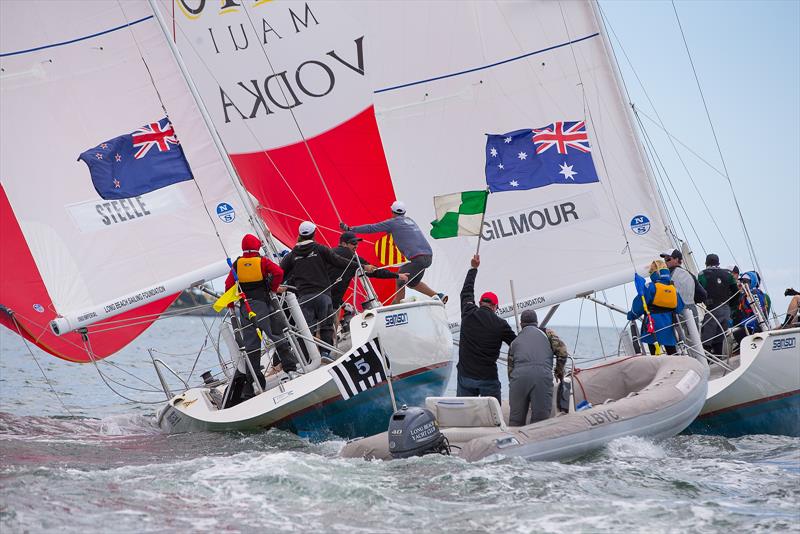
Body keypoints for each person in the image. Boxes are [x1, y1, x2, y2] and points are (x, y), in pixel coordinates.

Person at [223, 234, 297, 407]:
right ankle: (291, 368)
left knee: (251, 346)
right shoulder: (262, 261)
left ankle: (253, 384)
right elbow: (278, 272)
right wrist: (272, 287)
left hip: (245, 309)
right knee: (276, 336)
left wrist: (230, 304)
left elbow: (228, 285)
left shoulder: (236, 264)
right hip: (263, 305)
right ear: (257, 246)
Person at [341, 201, 446, 304]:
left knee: (400, 277)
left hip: (418, 259)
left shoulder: (392, 223)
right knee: (413, 283)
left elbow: (371, 228)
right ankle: (438, 295)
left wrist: (350, 229)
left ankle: (398, 307)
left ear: (392, 211)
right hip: (428, 257)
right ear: (404, 212)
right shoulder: (410, 220)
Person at [279, 221, 352, 353]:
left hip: (304, 298)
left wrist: (276, 286)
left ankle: (307, 359)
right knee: (326, 327)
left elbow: (279, 274)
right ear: (314, 234)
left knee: (306, 331)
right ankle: (325, 353)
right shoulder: (320, 249)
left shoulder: (292, 255)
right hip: (323, 295)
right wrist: (362, 266)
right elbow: (339, 261)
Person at [456, 254, 516, 403]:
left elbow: (466, 291)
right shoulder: (501, 324)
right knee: (493, 419)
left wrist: (473, 268)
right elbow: (516, 344)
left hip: (466, 377)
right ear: (495, 307)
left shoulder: (468, 312)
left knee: (465, 415)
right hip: (488, 378)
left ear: (480, 302)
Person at [328, 231, 409, 325]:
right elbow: (374, 271)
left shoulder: (329, 252)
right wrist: (397, 275)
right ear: (343, 244)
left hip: (318, 296)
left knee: (321, 331)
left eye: (357, 243)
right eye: (353, 243)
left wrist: (343, 304)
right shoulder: (351, 256)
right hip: (331, 302)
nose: (356, 245)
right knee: (329, 332)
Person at [507, 310, 568, 426]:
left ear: (521, 324)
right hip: (541, 377)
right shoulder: (547, 333)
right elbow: (563, 352)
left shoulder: (515, 341)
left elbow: (510, 369)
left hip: (518, 379)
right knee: (540, 421)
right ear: (537, 322)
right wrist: (558, 371)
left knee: (515, 420)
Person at [627, 260, 685, 355]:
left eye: (650, 272)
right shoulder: (673, 289)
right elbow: (679, 308)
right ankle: (675, 365)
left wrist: (631, 315)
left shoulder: (650, 287)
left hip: (652, 325)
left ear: (654, 273)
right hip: (669, 326)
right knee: (672, 352)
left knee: (654, 354)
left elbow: (639, 306)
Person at [698, 253, 738, 355]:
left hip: (712, 308)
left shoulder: (702, 274)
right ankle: (719, 359)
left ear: (706, 263)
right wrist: (730, 304)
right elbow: (736, 292)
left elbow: (699, 292)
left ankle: (707, 361)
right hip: (726, 309)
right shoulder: (728, 275)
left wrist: (700, 301)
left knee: (706, 336)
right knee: (719, 337)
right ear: (718, 263)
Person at [660, 249, 706, 331]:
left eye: (668, 259)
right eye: (665, 259)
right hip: (691, 310)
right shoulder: (689, 274)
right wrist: (692, 300)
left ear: (677, 259)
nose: (665, 261)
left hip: (676, 313)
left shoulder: (666, 276)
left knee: (683, 341)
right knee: (695, 338)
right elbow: (702, 295)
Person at [732, 271, 772, 345]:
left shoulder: (754, 293)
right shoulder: (745, 294)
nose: (743, 283)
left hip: (753, 327)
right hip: (747, 324)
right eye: (742, 281)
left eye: (745, 281)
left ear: (752, 282)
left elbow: (760, 314)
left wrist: (756, 331)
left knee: (736, 334)